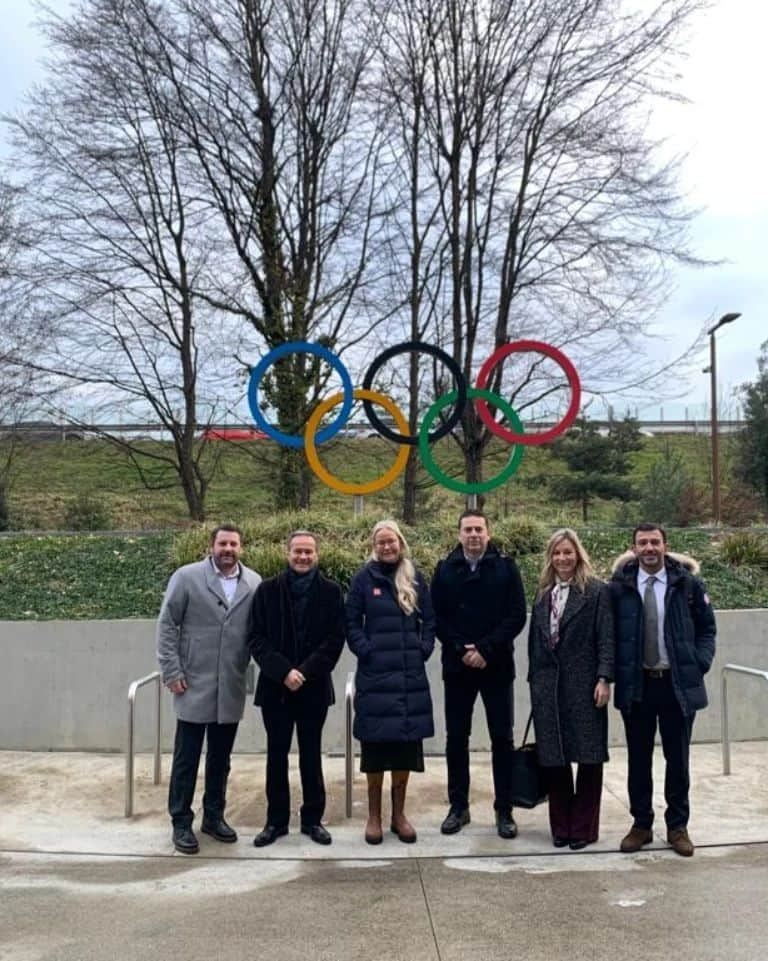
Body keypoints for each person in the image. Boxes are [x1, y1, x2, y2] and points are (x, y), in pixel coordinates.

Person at [611, 523, 716, 857]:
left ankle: (677, 826)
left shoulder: (687, 584)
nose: (649, 548)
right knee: (638, 760)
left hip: (676, 685)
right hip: (638, 685)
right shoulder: (620, 588)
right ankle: (641, 824)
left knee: (678, 760)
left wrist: (698, 662)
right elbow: (609, 634)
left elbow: (707, 628)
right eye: (643, 543)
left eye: (655, 542)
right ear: (634, 547)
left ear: (665, 546)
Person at [156, 524, 261, 854]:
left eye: (233, 544)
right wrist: (171, 670)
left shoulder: (253, 582)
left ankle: (213, 816)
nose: (228, 549)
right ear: (212, 546)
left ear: (241, 547)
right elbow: (167, 624)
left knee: (221, 758)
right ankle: (181, 821)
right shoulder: (186, 577)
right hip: (192, 681)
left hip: (229, 683)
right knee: (187, 757)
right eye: (222, 543)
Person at [431, 509, 527, 838]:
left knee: (502, 738)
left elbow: (516, 616)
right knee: (456, 738)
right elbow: (437, 617)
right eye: (468, 529)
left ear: (488, 533)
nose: (473, 535)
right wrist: (462, 649)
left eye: (479, 529)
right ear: (459, 534)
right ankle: (459, 807)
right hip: (457, 667)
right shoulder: (444, 569)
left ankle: (504, 809)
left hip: (496, 665)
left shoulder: (506, 567)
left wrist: (485, 649)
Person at [249, 530, 345, 847]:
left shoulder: (331, 592)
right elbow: (256, 639)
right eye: (297, 551)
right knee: (276, 756)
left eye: (308, 552)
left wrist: (302, 672)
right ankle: (275, 822)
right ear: (287, 553)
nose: (303, 557)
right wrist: (284, 672)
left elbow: (334, 641)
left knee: (310, 756)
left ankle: (312, 819)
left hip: (313, 687)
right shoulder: (266, 591)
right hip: (276, 688)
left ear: (317, 554)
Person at [345, 519, 435, 845]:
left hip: (409, 678)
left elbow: (431, 619)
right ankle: (374, 817)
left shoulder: (415, 577)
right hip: (375, 677)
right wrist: (366, 651)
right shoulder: (362, 579)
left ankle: (399, 815)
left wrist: (422, 649)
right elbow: (351, 622)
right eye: (381, 542)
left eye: (392, 541)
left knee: (404, 751)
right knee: (376, 750)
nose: (387, 547)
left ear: (400, 543)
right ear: (374, 545)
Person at [527, 529, 614, 850]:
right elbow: (535, 644)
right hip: (548, 688)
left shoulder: (596, 592)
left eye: (568, 552)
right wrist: (535, 682)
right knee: (555, 759)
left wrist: (605, 677)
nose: (563, 558)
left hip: (585, 686)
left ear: (578, 554)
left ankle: (584, 828)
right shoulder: (542, 594)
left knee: (589, 759)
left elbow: (606, 637)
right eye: (557, 553)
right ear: (550, 557)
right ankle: (561, 826)